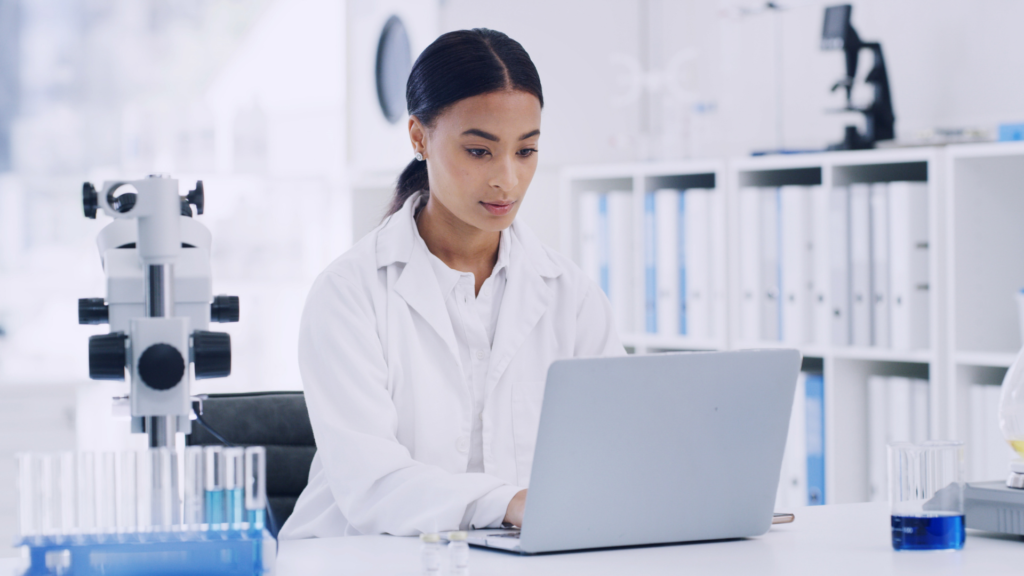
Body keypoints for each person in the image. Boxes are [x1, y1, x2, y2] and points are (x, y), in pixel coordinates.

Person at [278, 28, 623, 540]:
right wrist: (509, 502)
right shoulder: (349, 294)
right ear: (419, 137)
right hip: (360, 559)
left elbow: (614, 451)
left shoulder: (570, 297)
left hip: (510, 558)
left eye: (525, 152)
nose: (507, 179)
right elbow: (373, 488)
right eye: (480, 152)